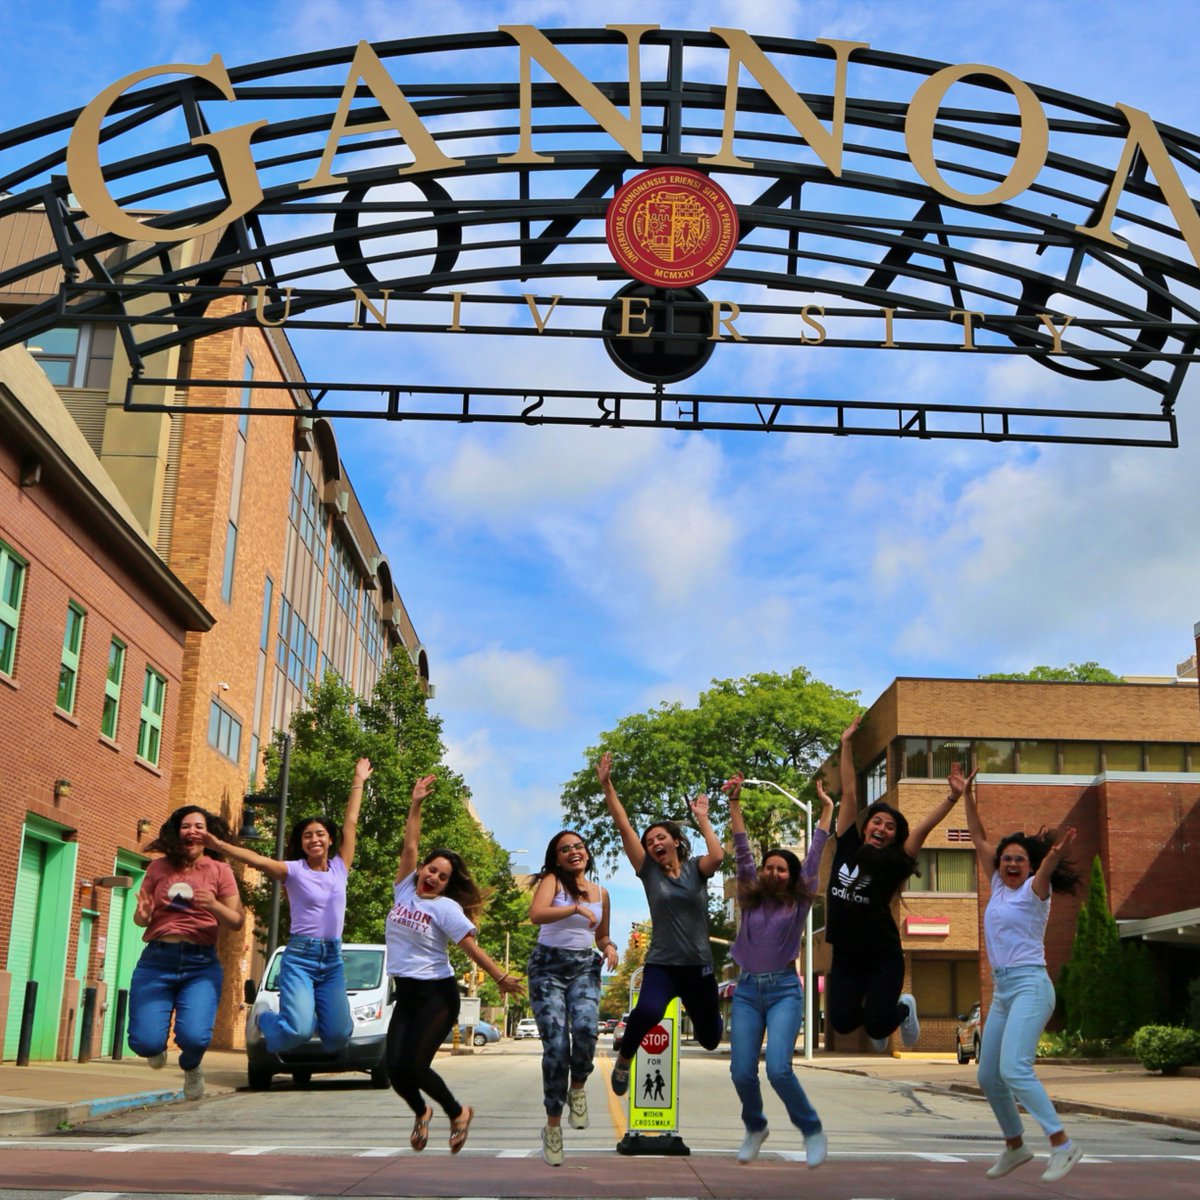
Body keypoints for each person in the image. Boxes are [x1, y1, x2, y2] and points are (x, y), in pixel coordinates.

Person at [385, 773, 524, 1154]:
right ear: (423, 869)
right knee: (393, 1070)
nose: (434, 878)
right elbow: (410, 843)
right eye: (432, 870)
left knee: (414, 1066)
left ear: (448, 885)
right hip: (407, 993)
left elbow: (469, 946)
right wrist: (416, 803)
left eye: (443, 877)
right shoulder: (404, 887)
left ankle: (457, 1112)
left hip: (436, 996)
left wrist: (500, 976)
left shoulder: (446, 909)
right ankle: (422, 1112)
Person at [205, 758, 371, 1059]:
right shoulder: (292, 870)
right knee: (297, 1032)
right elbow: (255, 860)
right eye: (307, 835)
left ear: (330, 839)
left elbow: (351, 822)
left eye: (320, 833)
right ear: (302, 843)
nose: (314, 839)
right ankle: (265, 1020)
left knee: (338, 1038)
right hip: (301, 958)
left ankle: (314, 1017)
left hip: (332, 959)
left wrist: (358, 780)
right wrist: (220, 846)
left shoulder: (340, 867)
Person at [962, 778, 1083, 1184]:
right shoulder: (997, 886)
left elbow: (1047, 867)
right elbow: (978, 836)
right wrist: (967, 796)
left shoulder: (1035, 892)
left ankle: (1063, 1144)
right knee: (987, 1076)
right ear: (998, 866)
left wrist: (1053, 855)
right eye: (1006, 859)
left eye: (1019, 860)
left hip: (1031, 986)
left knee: (1015, 1069)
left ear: (1029, 866)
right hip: (1003, 993)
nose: (1011, 865)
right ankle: (1015, 1146)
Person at [826, 716, 971, 1050]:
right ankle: (885, 1013)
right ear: (865, 828)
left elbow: (923, 829)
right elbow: (849, 792)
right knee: (843, 1021)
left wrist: (952, 797)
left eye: (890, 826)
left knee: (878, 1025)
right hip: (847, 954)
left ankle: (902, 1007)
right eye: (876, 821)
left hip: (881, 956)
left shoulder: (894, 863)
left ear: (894, 837)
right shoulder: (847, 843)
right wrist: (845, 744)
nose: (881, 827)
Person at [596, 751, 724, 1097]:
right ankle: (625, 1058)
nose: (654, 844)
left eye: (660, 838)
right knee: (648, 1010)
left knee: (710, 1039)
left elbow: (719, 856)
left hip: (698, 966)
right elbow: (623, 826)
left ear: (676, 841)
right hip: (662, 964)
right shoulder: (648, 871)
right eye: (649, 842)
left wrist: (703, 819)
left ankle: (713, 1018)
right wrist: (607, 786)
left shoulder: (697, 868)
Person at [723, 772, 832, 1167]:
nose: (771, 872)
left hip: (785, 989)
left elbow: (816, 852)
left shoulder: (799, 902)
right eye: (768, 867)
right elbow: (741, 850)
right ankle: (755, 1126)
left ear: (791, 876)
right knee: (740, 1072)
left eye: (780, 869)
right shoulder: (750, 899)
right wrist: (734, 803)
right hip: (748, 991)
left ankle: (812, 1129)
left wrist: (826, 809)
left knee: (779, 1070)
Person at [129, 806, 244, 1101]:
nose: (192, 831)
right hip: (157, 959)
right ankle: (155, 1047)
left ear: (208, 834)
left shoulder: (220, 870)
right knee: (144, 1043)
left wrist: (214, 905)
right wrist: (142, 914)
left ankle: (191, 1066)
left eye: (198, 826)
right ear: (176, 832)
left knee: (195, 1037)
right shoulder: (158, 868)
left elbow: (237, 920)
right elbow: (141, 918)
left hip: (200, 963)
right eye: (185, 826)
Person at [527, 829, 620, 1166]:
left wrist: (609, 946)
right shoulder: (553, 880)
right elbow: (536, 914)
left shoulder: (602, 893)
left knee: (585, 1030)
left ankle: (577, 1087)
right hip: (547, 967)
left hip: (583, 967)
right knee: (555, 1047)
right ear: (557, 858)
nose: (573, 852)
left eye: (578, 846)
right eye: (565, 849)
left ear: (587, 852)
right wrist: (575, 909)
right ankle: (553, 1126)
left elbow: (601, 934)